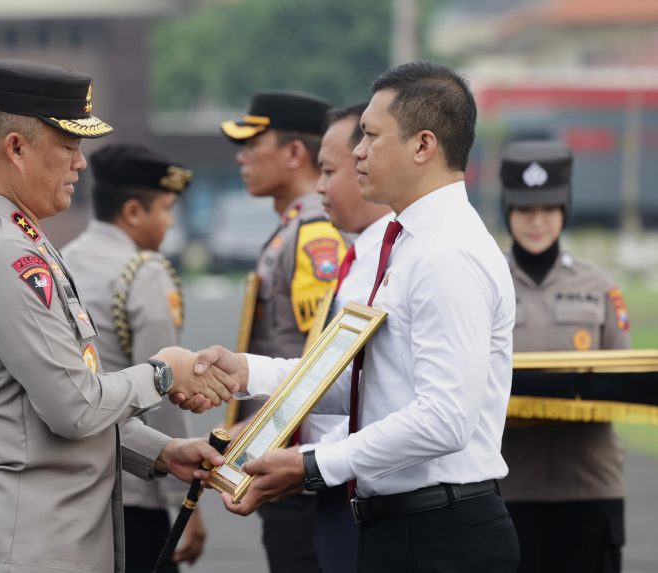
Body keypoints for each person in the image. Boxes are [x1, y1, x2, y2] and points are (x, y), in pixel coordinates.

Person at [195, 61, 521, 572]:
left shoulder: (446, 254)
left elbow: (444, 419)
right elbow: (373, 381)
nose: (359, 153)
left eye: (369, 136)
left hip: (439, 532)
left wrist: (313, 464)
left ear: (423, 145)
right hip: (402, 526)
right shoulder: (411, 245)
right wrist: (248, 372)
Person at [0, 59, 236, 573]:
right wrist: (164, 373)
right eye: (70, 148)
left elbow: (53, 403)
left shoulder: (16, 235)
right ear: (16, 148)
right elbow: (74, 408)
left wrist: (163, 453)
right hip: (22, 550)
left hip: (36, 543)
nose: (80, 165)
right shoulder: (3, 251)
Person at [60, 143, 205, 573]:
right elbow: (165, 394)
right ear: (133, 212)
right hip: (139, 489)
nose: (170, 220)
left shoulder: (61, 261)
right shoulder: (145, 272)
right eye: (165, 208)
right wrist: (185, 503)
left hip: (77, 484)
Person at [220, 90, 347, 573]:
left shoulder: (314, 231)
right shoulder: (294, 226)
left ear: (295, 153)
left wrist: (267, 430)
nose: (242, 155)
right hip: (287, 456)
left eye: (254, 142)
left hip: (300, 461)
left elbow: (317, 355)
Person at [498, 140, 630, 573]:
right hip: (508, 485)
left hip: (589, 486)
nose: (536, 222)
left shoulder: (598, 285)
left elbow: (623, 378)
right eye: (524, 210)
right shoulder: (487, 281)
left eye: (549, 209)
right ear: (507, 211)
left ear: (565, 210)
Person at [308, 102, 394, 572]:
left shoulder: (391, 260)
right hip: (333, 478)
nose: (318, 187)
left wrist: (303, 461)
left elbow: (373, 393)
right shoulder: (360, 257)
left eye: (327, 171)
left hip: (354, 482)